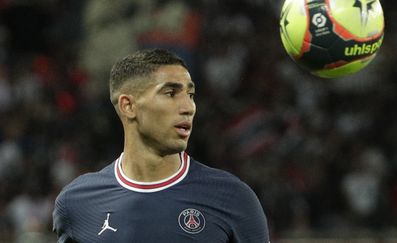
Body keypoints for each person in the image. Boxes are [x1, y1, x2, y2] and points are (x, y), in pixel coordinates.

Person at [52, 49, 270, 242]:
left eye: (191, 94)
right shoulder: (77, 203)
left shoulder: (232, 198)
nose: (188, 107)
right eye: (170, 93)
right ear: (128, 106)